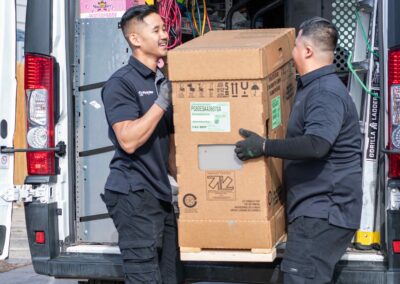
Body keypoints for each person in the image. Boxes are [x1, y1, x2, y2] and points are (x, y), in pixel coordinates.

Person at [235, 17, 362, 283]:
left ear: (307, 51)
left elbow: (317, 144)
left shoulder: (325, 93)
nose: (292, 53)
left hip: (323, 212)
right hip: (317, 212)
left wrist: (264, 146)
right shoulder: (314, 88)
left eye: (295, 47)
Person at [101, 5, 178, 284]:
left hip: (160, 195)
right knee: (144, 278)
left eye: (165, 29)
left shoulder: (161, 82)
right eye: (156, 30)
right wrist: (162, 101)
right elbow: (129, 140)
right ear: (135, 39)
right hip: (133, 195)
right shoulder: (121, 83)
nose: (165, 35)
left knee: (170, 277)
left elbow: (170, 151)